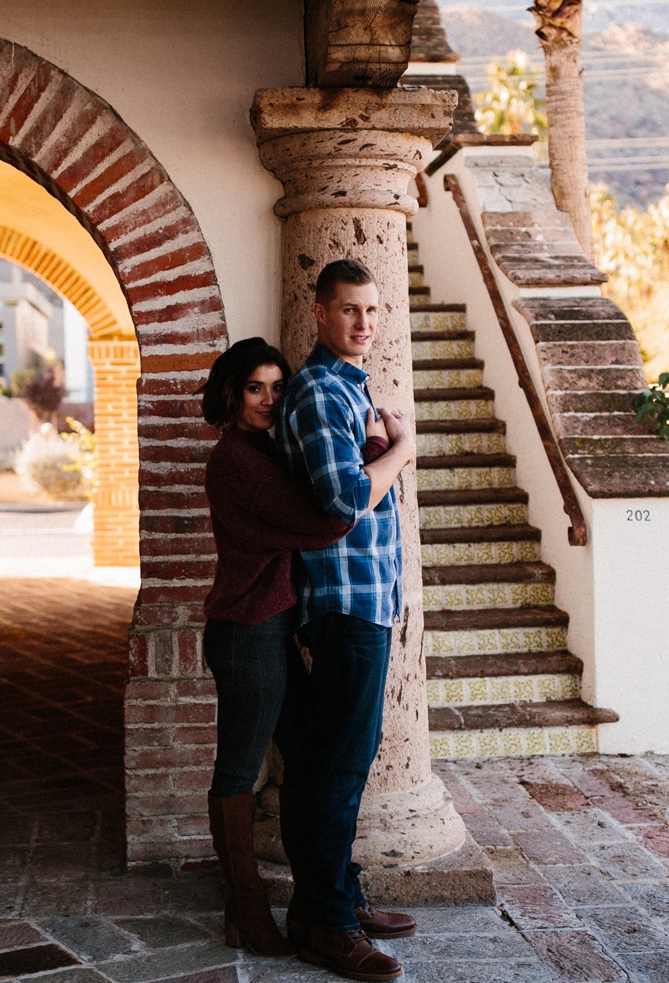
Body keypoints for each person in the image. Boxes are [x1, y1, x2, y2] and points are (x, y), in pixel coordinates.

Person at [199, 337, 395, 959]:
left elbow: (322, 489)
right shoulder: (236, 460)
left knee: (313, 761)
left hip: (275, 630)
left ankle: (335, 892)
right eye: (254, 388)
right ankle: (245, 905)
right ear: (231, 394)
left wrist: (364, 447)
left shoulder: (265, 451)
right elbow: (329, 517)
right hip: (247, 632)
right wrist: (394, 454)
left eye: (278, 388)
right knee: (238, 769)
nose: (268, 400)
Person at [276, 259, 419, 982]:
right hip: (343, 605)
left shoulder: (351, 390)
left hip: (367, 601)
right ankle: (325, 926)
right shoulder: (318, 391)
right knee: (337, 770)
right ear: (319, 314)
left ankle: (336, 898)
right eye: (349, 310)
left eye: (371, 310)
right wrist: (402, 450)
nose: (364, 322)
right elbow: (344, 500)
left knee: (333, 765)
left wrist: (380, 447)